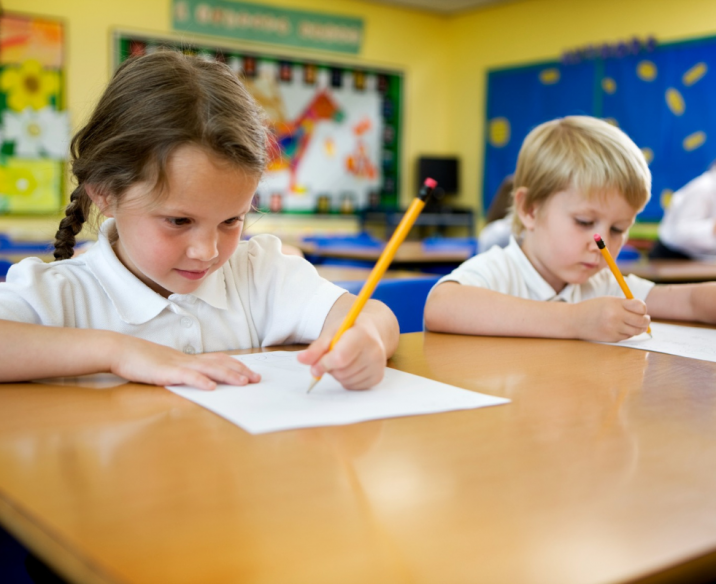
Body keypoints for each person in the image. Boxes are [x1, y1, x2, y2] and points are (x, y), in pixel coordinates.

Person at [0, 51, 398, 390]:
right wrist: (117, 351)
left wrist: (362, 337)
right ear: (105, 193)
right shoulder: (63, 295)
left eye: (231, 220)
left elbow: (374, 314)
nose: (208, 252)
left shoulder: (258, 273)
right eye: (178, 220)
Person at [424, 116, 716, 342]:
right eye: (584, 222)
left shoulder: (602, 282)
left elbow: (689, 302)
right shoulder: (503, 270)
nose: (599, 242)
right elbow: (440, 306)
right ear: (530, 209)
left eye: (618, 228)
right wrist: (575, 320)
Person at [652, 165, 716, 259]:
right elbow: (679, 233)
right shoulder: (703, 188)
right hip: (672, 257)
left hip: (703, 260)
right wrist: (712, 229)